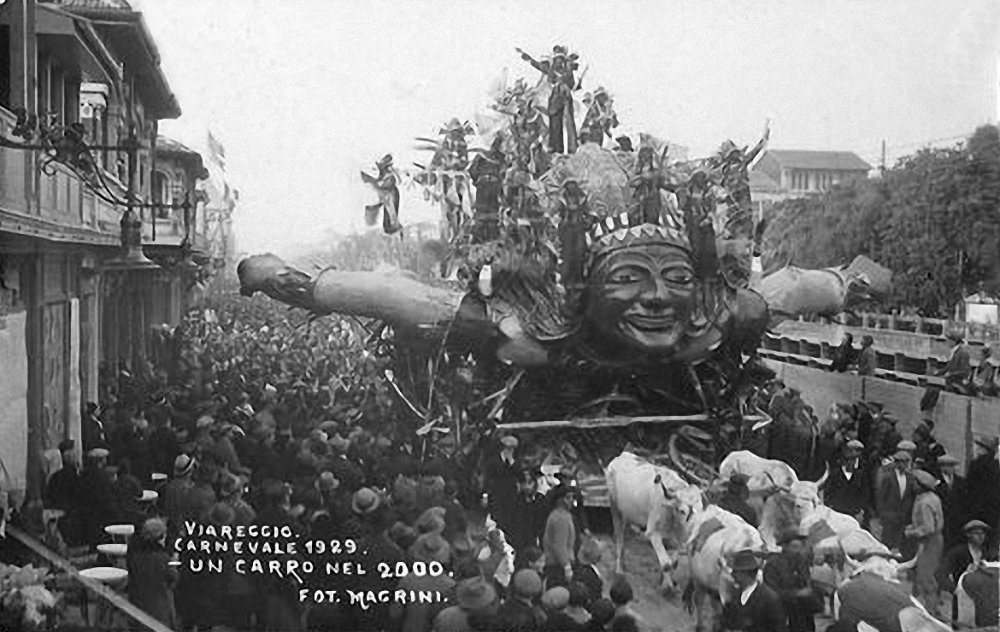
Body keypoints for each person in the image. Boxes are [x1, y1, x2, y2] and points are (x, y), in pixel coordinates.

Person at [904, 469, 944, 616]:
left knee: (925, 577)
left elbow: (928, 527)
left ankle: (931, 611)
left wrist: (911, 532)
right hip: (936, 539)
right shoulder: (932, 497)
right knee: (928, 575)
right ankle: (931, 607)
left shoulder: (924, 502)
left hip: (929, 542)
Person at [764, 530, 822, 632]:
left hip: (804, 613)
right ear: (784, 547)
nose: (798, 551)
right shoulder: (772, 565)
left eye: (800, 547)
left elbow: (806, 582)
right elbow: (771, 592)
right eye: (794, 547)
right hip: (784, 613)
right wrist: (796, 594)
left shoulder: (802, 562)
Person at [126, 518, 178, 628]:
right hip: (159, 608)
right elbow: (173, 579)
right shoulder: (163, 558)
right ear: (160, 537)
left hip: (137, 605)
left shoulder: (135, 556)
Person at [721, 549, 788, 632]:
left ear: (746, 574)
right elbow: (726, 622)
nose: (733, 576)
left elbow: (778, 628)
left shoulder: (769, 598)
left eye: (736, 573)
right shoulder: (734, 596)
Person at [874, 449, 915, 551]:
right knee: (887, 542)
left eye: (906, 461)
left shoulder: (910, 478)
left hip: (903, 516)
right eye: (902, 461)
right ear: (896, 462)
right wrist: (882, 514)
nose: (904, 464)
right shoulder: (888, 477)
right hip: (889, 515)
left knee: (900, 542)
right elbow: (881, 496)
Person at [824, 440, 871, 525]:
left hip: (853, 513)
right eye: (849, 460)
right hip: (837, 512)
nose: (851, 462)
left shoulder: (860, 475)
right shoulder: (836, 474)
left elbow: (865, 494)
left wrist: (862, 511)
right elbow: (828, 492)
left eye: (853, 460)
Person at [965, 437, 1000, 548]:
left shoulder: (977, 464)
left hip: (976, 508)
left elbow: (969, 486)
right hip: (994, 509)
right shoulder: (996, 465)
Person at [484, 435, 521, 540]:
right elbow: (488, 478)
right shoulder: (493, 461)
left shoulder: (515, 462)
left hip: (511, 495)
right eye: (508, 448)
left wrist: (512, 462)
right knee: (498, 517)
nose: (510, 451)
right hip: (497, 494)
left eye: (512, 449)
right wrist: (485, 494)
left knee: (510, 518)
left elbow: (520, 475)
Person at [544, 485, 578, 588]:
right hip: (558, 565)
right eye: (568, 497)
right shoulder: (560, 518)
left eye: (573, 497)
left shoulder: (563, 515)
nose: (571, 500)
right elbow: (559, 546)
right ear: (559, 500)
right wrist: (567, 567)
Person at [935, 454, 966, 547]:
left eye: (950, 465)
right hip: (943, 517)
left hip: (956, 518)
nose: (948, 468)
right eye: (944, 465)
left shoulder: (960, 481)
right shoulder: (936, 482)